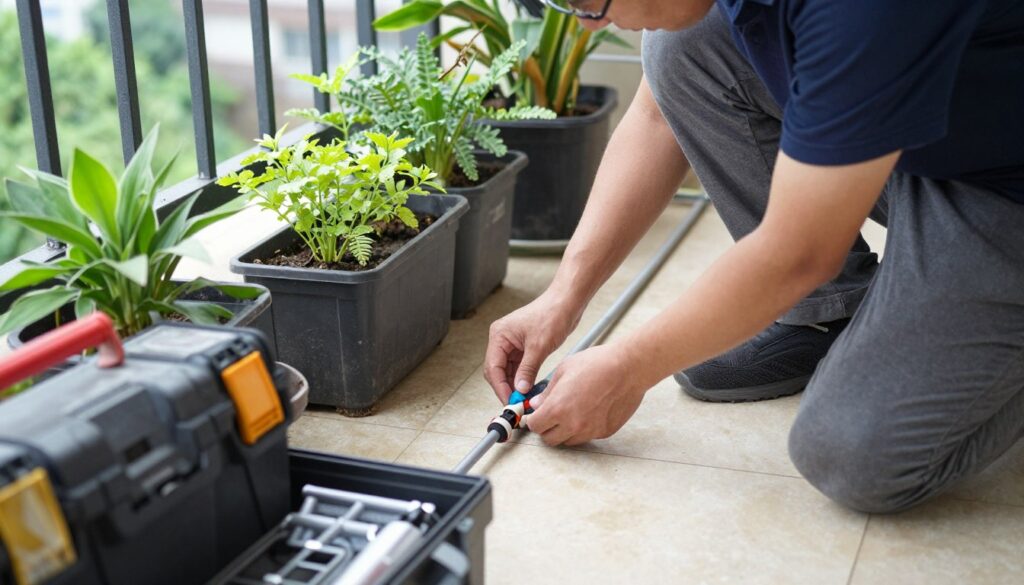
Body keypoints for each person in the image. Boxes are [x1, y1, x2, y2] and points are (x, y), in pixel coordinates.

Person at [484, 0, 1024, 513]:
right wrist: (563, 296)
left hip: (1000, 186)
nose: (588, 27)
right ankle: (826, 316)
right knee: (681, 46)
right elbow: (655, 116)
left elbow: (799, 251)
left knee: (852, 453)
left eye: (587, 6)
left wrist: (627, 368)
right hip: (923, 125)